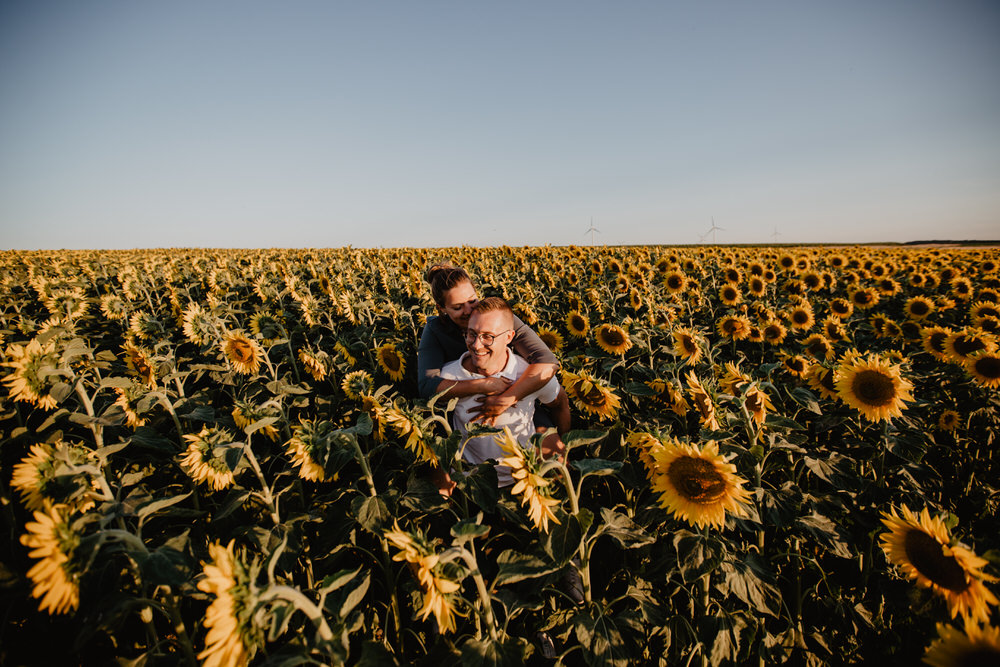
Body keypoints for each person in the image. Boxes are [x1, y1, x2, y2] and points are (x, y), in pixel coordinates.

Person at [435, 297, 570, 493]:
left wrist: (564, 446)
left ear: (509, 337)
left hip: (526, 478)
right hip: (471, 483)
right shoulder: (449, 377)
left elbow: (560, 403)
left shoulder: (528, 376)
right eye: (471, 334)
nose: (477, 345)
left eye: (488, 336)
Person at [417, 263, 559, 425]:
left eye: (472, 301)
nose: (469, 311)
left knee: (547, 441)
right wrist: (483, 385)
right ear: (441, 308)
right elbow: (428, 387)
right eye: (457, 307)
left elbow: (548, 362)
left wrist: (506, 399)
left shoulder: (497, 316)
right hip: (463, 410)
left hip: (517, 401)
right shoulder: (435, 329)